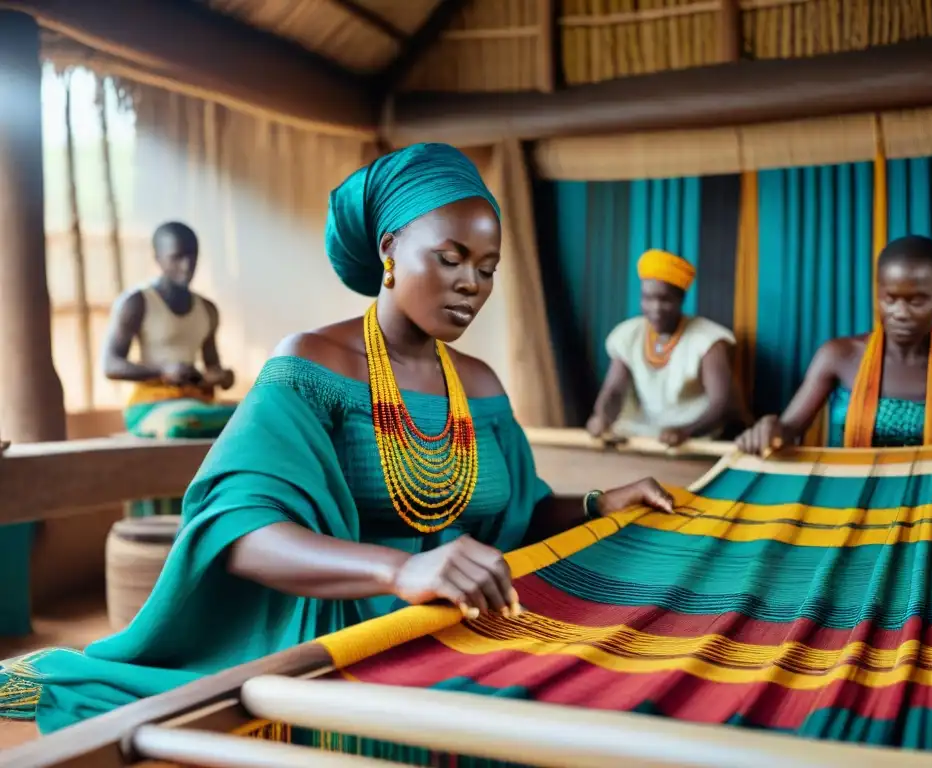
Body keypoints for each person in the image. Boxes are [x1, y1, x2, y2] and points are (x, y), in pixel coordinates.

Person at [0, 143, 674, 734]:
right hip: (337, 651)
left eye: (489, 266)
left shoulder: (482, 386)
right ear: (388, 250)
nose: (473, 281)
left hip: (453, 633)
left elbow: (521, 514)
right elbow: (238, 533)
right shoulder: (313, 368)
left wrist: (597, 504)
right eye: (450, 257)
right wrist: (399, 570)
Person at [736, 235, 932, 467]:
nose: (900, 313)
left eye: (917, 300)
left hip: (928, 508)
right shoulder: (839, 355)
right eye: (890, 298)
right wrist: (771, 429)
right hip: (848, 500)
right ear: (877, 293)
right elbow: (789, 429)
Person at [103, 222, 237, 515]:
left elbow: (212, 367)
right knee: (184, 421)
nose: (187, 265)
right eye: (177, 257)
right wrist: (163, 371)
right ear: (158, 258)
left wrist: (222, 376)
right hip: (151, 406)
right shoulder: (137, 302)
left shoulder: (207, 309)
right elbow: (110, 364)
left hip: (199, 402)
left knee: (251, 414)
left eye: (193, 256)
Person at [586, 249, 742, 447]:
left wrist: (686, 431)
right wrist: (602, 417)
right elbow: (614, 390)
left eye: (665, 299)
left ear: (681, 299)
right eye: (647, 298)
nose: (655, 308)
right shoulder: (628, 334)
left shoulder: (707, 340)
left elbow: (722, 403)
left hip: (694, 441)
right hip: (641, 438)